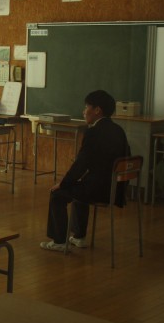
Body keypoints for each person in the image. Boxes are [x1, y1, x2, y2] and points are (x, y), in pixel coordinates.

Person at [40, 90, 129, 252]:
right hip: (116, 190)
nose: (84, 111)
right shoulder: (119, 130)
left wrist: (63, 183)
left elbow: (81, 165)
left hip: (98, 190)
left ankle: (59, 241)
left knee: (57, 194)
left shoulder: (93, 132)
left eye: (87, 107)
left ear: (97, 110)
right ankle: (79, 237)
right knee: (80, 187)